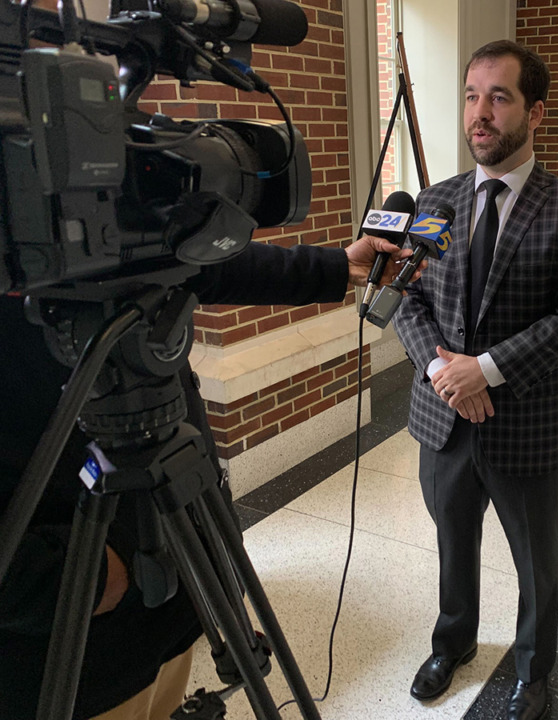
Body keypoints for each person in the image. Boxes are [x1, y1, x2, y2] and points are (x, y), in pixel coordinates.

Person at [0, 235, 422, 720]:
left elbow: (190, 259)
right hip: (69, 650)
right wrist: (77, 584)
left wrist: (332, 266)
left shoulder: (93, 213)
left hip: (179, 595)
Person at [392, 40, 558, 720]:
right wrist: (442, 369)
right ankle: (452, 643)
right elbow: (408, 299)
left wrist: (482, 370)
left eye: (499, 97)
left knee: (535, 564)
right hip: (443, 422)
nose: (479, 113)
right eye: (470, 95)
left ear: (535, 112)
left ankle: (532, 670)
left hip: (529, 426)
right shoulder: (436, 200)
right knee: (452, 543)